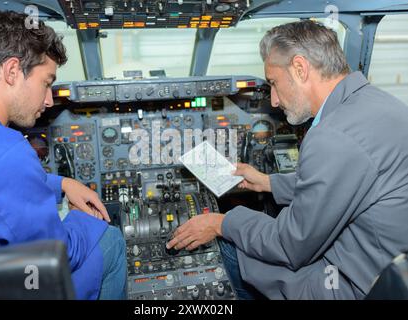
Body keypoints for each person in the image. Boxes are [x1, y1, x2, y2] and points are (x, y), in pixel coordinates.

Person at [166, 20, 408, 299]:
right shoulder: (377, 103)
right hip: (379, 262)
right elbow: (343, 185)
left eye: (274, 83)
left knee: (225, 253)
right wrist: (269, 183)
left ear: (300, 68)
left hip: (351, 283)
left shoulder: (333, 136)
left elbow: (289, 246)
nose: (274, 100)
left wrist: (220, 223)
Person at [0, 10, 126, 300]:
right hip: (11, 287)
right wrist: (89, 220)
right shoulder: (7, 152)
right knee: (110, 241)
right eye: (47, 82)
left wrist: (60, 184)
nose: (49, 100)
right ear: (11, 72)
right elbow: (57, 255)